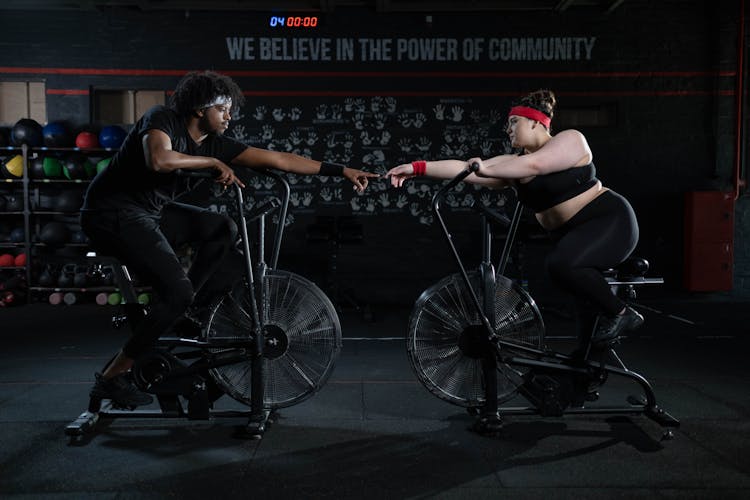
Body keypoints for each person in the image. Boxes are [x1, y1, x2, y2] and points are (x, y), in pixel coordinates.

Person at [81, 70, 378, 408]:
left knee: (222, 228)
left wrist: (341, 171)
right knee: (175, 292)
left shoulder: (217, 144)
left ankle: (185, 307)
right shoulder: (162, 119)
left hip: (150, 213)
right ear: (199, 108)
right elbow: (159, 159)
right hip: (110, 213)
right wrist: (211, 162)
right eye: (223, 109)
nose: (229, 116)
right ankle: (111, 378)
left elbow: (280, 159)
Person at [386, 89, 643, 354]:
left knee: (561, 264)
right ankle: (582, 376)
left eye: (513, 122)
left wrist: (484, 167)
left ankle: (624, 313)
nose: (508, 129)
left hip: (610, 223)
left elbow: (535, 165)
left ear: (536, 122)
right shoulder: (512, 164)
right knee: (585, 309)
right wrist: (417, 168)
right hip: (575, 236)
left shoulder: (570, 140)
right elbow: (466, 168)